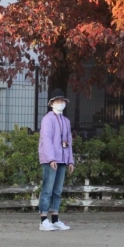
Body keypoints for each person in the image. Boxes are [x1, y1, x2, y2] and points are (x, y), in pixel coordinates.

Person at [38, 88, 75, 231]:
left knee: (57, 191)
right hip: (51, 159)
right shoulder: (48, 119)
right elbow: (46, 139)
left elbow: (68, 141)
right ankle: (43, 220)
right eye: (58, 101)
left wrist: (70, 160)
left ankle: (54, 219)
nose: (61, 103)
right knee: (47, 190)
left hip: (62, 159)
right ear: (51, 103)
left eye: (62, 101)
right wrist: (51, 158)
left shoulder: (66, 121)